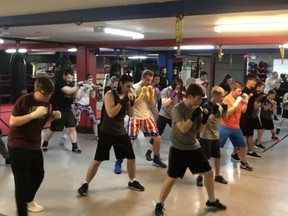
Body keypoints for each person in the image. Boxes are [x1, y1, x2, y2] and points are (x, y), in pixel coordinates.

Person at [154, 83, 226, 216]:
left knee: (209, 173)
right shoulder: (178, 109)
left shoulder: (197, 109)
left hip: (194, 147)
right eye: (199, 98)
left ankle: (211, 200)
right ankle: (159, 204)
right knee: (171, 178)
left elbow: (198, 131)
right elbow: (183, 129)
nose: (201, 101)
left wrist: (204, 119)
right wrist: (194, 115)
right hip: (178, 148)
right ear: (190, 96)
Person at [77, 74, 144, 196]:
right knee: (97, 160)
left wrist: (131, 103)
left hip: (120, 132)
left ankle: (132, 181)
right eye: (127, 86)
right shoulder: (109, 95)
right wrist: (122, 101)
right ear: (121, 84)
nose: (129, 88)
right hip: (107, 132)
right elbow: (111, 113)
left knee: (131, 157)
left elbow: (130, 114)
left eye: (131, 86)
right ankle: (85, 183)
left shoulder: (127, 96)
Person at [7, 77, 61, 216]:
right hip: (18, 144)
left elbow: (42, 119)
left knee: (38, 175)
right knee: (22, 180)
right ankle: (22, 213)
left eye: (50, 94)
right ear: (36, 90)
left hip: (34, 144)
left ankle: (29, 201)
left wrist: (52, 116)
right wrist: (32, 115)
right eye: (45, 94)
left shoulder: (46, 102)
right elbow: (13, 122)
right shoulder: (24, 100)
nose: (47, 97)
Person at [114, 70, 166, 174]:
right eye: (147, 79)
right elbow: (133, 105)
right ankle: (118, 162)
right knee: (130, 142)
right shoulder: (134, 88)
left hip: (146, 116)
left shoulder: (151, 88)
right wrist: (142, 94)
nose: (149, 82)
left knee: (158, 139)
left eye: (150, 80)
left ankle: (156, 158)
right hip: (135, 117)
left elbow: (151, 105)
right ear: (142, 77)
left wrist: (151, 95)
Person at [42, 68, 82, 153]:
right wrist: (78, 86)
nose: (69, 79)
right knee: (53, 128)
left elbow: (74, 96)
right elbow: (68, 92)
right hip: (58, 109)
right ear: (64, 75)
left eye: (71, 78)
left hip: (67, 109)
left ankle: (75, 147)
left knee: (72, 128)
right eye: (68, 77)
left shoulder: (71, 84)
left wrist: (80, 88)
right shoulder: (59, 82)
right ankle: (44, 144)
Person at [145, 77, 184, 161]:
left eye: (179, 88)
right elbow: (164, 103)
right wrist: (172, 96)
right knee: (157, 134)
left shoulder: (179, 92)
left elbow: (180, 104)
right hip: (163, 115)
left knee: (178, 133)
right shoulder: (166, 90)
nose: (178, 89)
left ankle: (179, 152)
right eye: (177, 87)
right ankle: (149, 152)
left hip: (173, 116)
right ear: (173, 85)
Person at [196, 86, 228, 187]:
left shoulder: (220, 106)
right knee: (204, 157)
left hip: (215, 135)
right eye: (221, 96)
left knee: (218, 156)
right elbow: (207, 120)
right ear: (214, 95)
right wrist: (213, 112)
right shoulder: (206, 105)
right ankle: (200, 176)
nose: (222, 98)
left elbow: (225, 119)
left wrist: (225, 110)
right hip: (206, 135)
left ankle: (217, 175)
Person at [219, 81, 253, 171]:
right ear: (232, 90)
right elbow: (227, 113)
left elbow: (243, 111)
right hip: (225, 126)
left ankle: (243, 162)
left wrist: (246, 102)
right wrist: (236, 102)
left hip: (235, 126)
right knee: (217, 145)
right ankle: (210, 161)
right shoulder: (226, 99)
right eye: (238, 91)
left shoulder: (239, 98)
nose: (240, 93)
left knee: (242, 145)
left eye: (241, 91)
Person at [239, 75, 261, 159]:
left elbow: (258, 95)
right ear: (249, 80)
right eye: (254, 81)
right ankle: (236, 152)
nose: (255, 83)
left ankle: (251, 151)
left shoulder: (252, 90)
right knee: (241, 135)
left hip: (249, 116)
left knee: (250, 134)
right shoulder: (244, 90)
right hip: (243, 116)